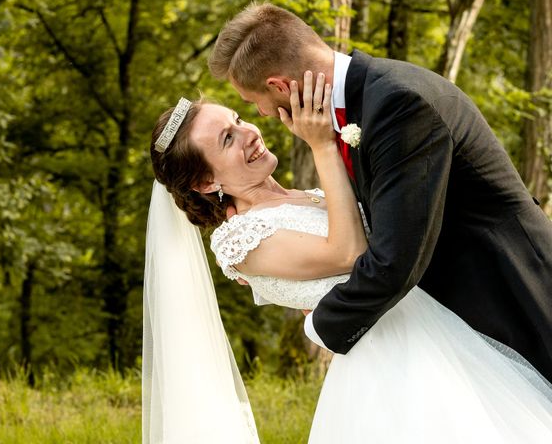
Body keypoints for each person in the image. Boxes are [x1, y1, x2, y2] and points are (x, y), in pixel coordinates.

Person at [143, 75, 552, 442]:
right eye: (227, 140)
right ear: (205, 181)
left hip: (441, 328)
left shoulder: (299, 198)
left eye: (236, 119)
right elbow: (348, 252)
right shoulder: (238, 237)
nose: (247, 132)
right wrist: (321, 145)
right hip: (392, 360)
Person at [208, 2, 552, 381]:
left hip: (512, 291)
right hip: (463, 309)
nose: (261, 114)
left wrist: (321, 323)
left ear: (278, 86)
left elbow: (394, 260)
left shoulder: (397, 106)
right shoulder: (362, 100)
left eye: (252, 103)